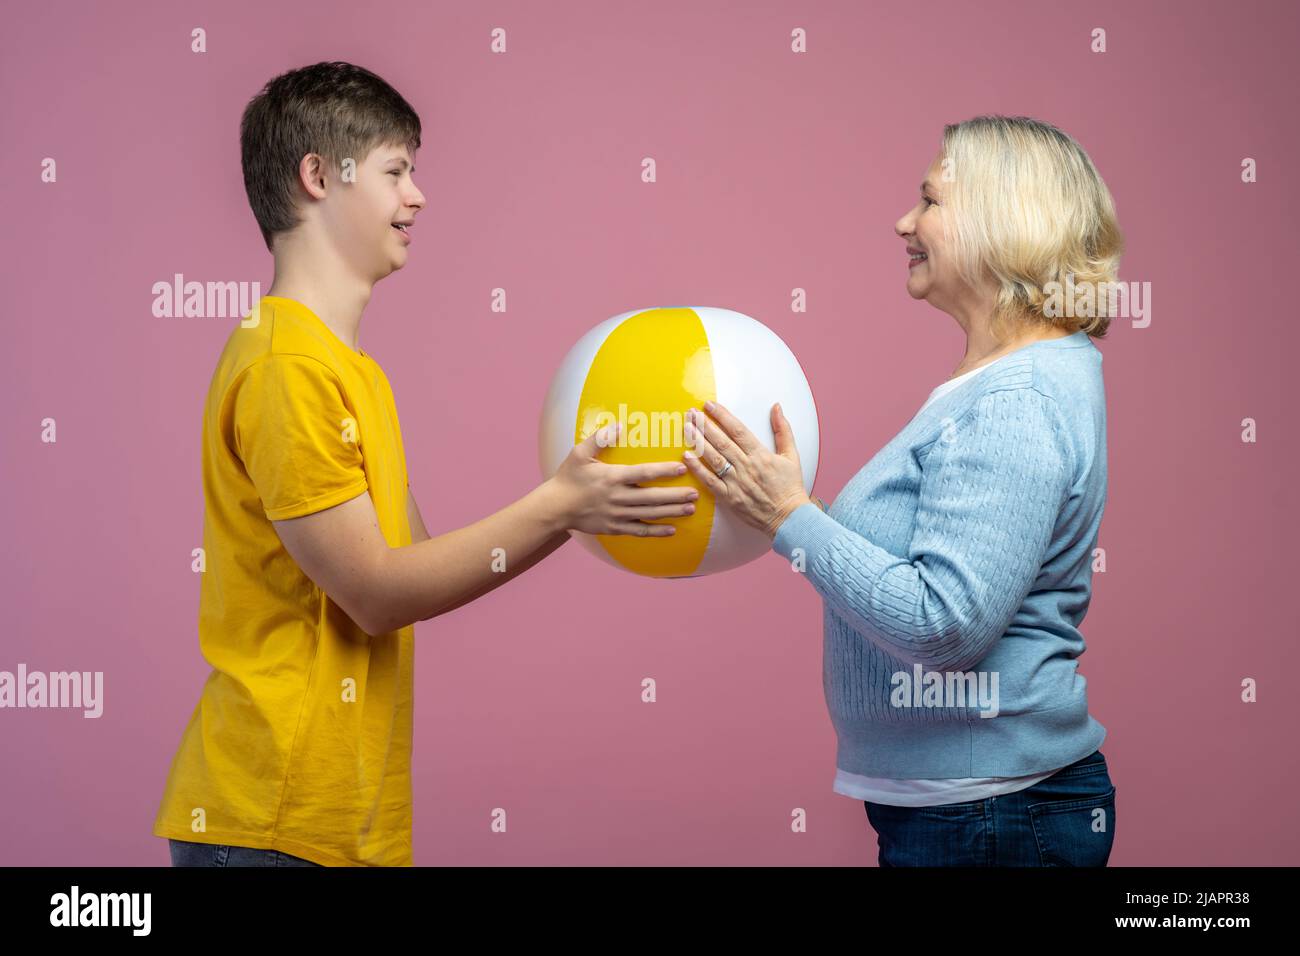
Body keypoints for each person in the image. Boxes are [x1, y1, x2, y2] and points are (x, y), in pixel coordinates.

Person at [153, 61, 697, 867]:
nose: (418, 197)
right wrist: (561, 506)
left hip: (338, 823)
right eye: (396, 171)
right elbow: (374, 594)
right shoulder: (286, 369)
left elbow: (409, 573)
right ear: (318, 177)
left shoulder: (350, 368)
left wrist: (571, 505)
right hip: (271, 822)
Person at [682, 115, 1121, 866]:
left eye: (931, 202)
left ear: (1001, 222)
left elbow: (945, 625)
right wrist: (787, 506)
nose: (904, 222)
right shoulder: (1001, 382)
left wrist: (789, 517)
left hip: (993, 817)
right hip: (973, 811)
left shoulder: (1017, 397)